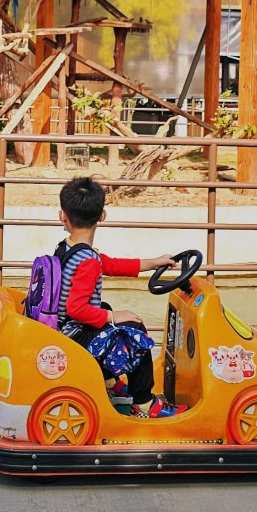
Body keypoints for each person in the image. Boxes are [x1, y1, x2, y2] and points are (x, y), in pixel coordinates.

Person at [53, 176, 186, 418]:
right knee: (134, 329)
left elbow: (111, 264)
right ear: (102, 216)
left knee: (105, 307)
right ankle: (145, 403)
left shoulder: (68, 248)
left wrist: (154, 262)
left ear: (62, 215)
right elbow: (76, 308)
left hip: (65, 328)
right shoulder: (88, 261)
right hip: (74, 334)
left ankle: (109, 383)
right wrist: (114, 317)